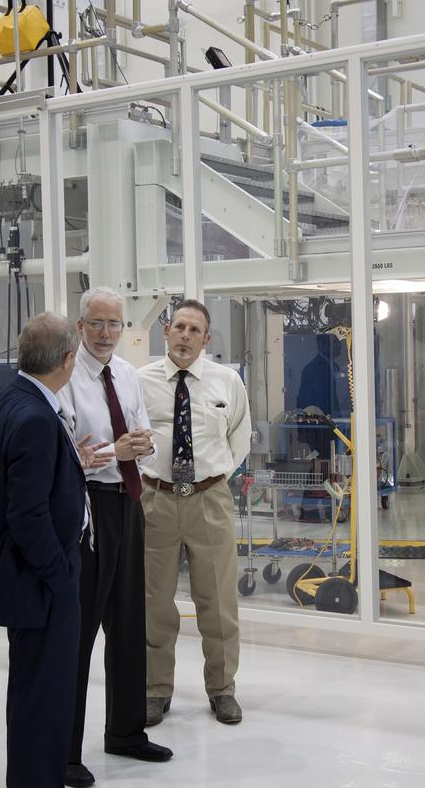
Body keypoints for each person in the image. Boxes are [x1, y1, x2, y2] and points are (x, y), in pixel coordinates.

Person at [0, 312, 112, 788]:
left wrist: (74, 462)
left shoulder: (5, 402)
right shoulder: (35, 416)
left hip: (23, 579)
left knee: (34, 692)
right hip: (41, 584)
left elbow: (25, 482)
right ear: (69, 360)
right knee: (45, 699)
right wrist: (60, 573)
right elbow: (26, 515)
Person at [58, 288, 172, 787]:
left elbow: (141, 437)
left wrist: (141, 446)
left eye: (115, 325)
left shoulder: (126, 373)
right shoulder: (65, 377)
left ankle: (125, 732)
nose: (107, 334)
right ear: (80, 326)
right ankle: (64, 750)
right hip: (88, 508)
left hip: (128, 502)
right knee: (80, 632)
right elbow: (67, 452)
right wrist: (114, 449)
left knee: (129, 621)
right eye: (98, 324)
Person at [138, 299, 252, 726]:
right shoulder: (140, 381)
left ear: (206, 339)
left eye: (195, 330)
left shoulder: (227, 382)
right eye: (179, 327)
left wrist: (210, 478)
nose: (185, 335)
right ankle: (154, 690)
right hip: (157, 501)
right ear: (166, 330)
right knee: (154, 602)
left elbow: (239, 438)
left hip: (210, 499)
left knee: (219, 600)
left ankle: (222, 689)